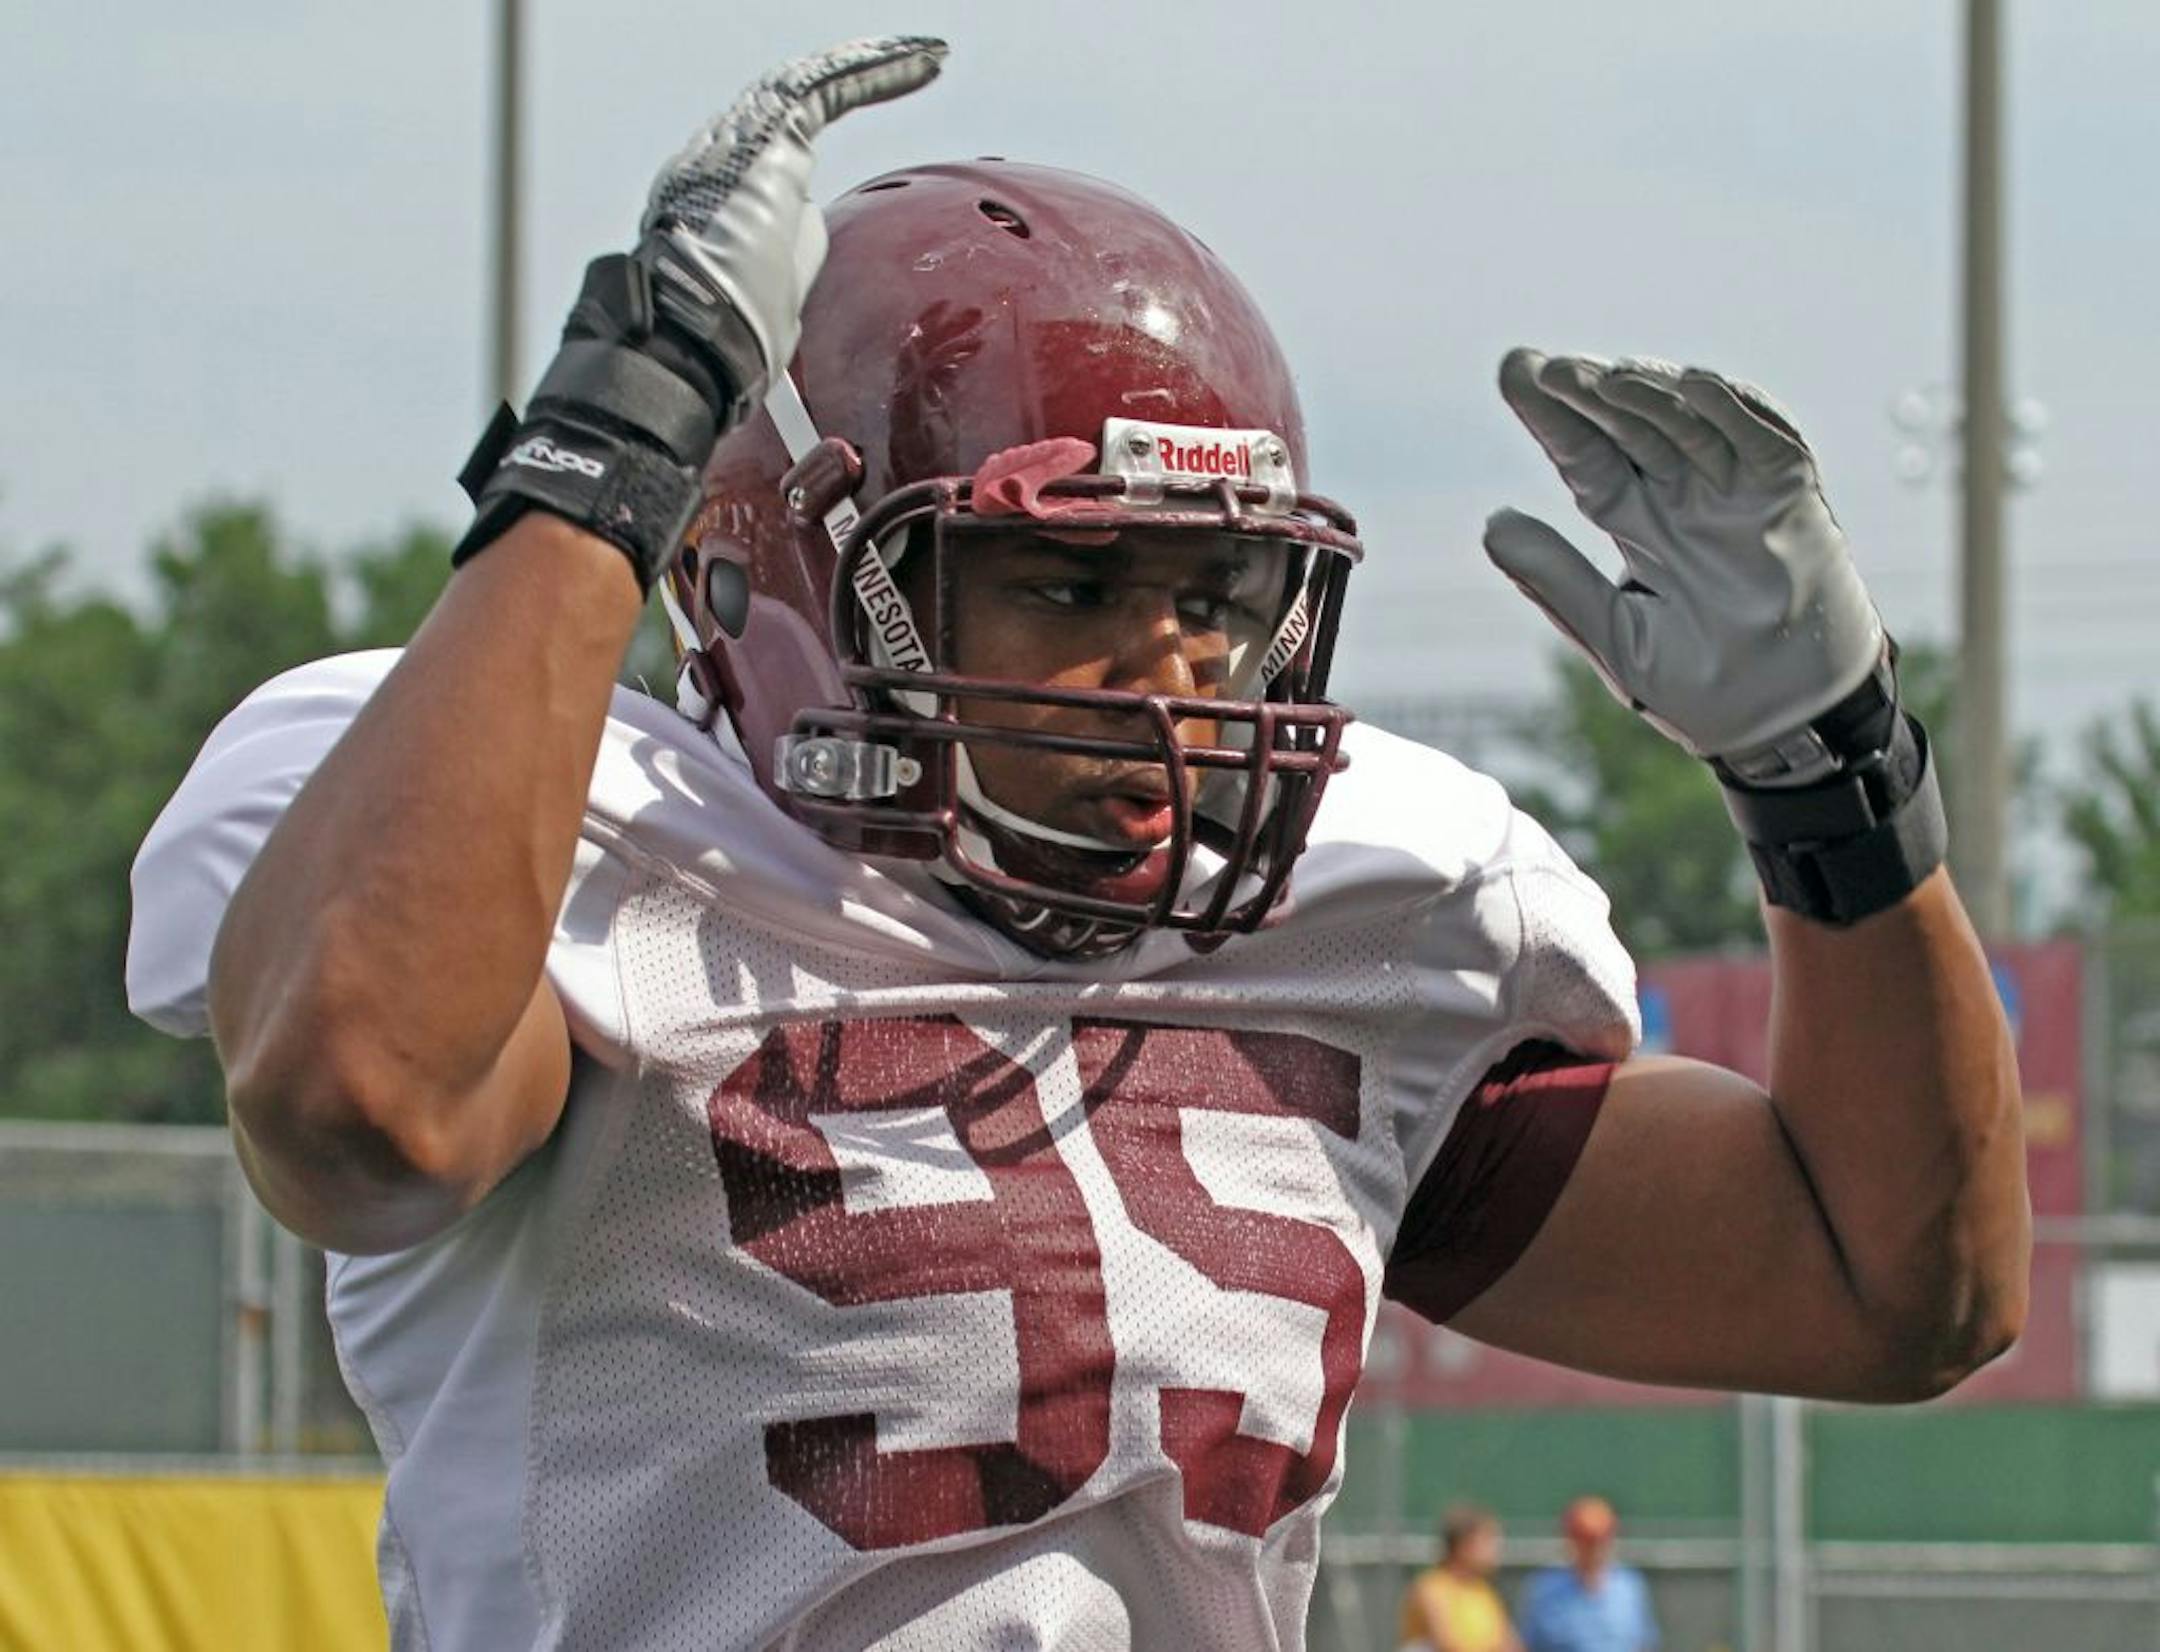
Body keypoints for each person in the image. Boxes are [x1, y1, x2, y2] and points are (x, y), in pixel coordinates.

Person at [123, 33, 2031, 1652]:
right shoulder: (594, 861)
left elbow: (1893, 1286)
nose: (1169, 671)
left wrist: (1831, 774)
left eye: (1215, 590)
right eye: (1062, 577)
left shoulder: (1349, 914)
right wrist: (612, 436)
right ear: (760, 572)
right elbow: (364, 1110)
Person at [1516, 1497, 1660, 1652]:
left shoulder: (1629, 1588)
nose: (1594, 1548)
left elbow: (1645, 1643)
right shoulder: (1545, 1590)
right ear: (1570, 1539)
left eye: (1600, 1538)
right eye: (1585, 1539)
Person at [1400, 1505, 1522, 1652]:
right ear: (1463, 1545)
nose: (1495, 1550)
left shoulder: (1485, 1592)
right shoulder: (1432, 1588)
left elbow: (1512, 1645)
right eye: (1488, 1541)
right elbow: (1446, 1645)